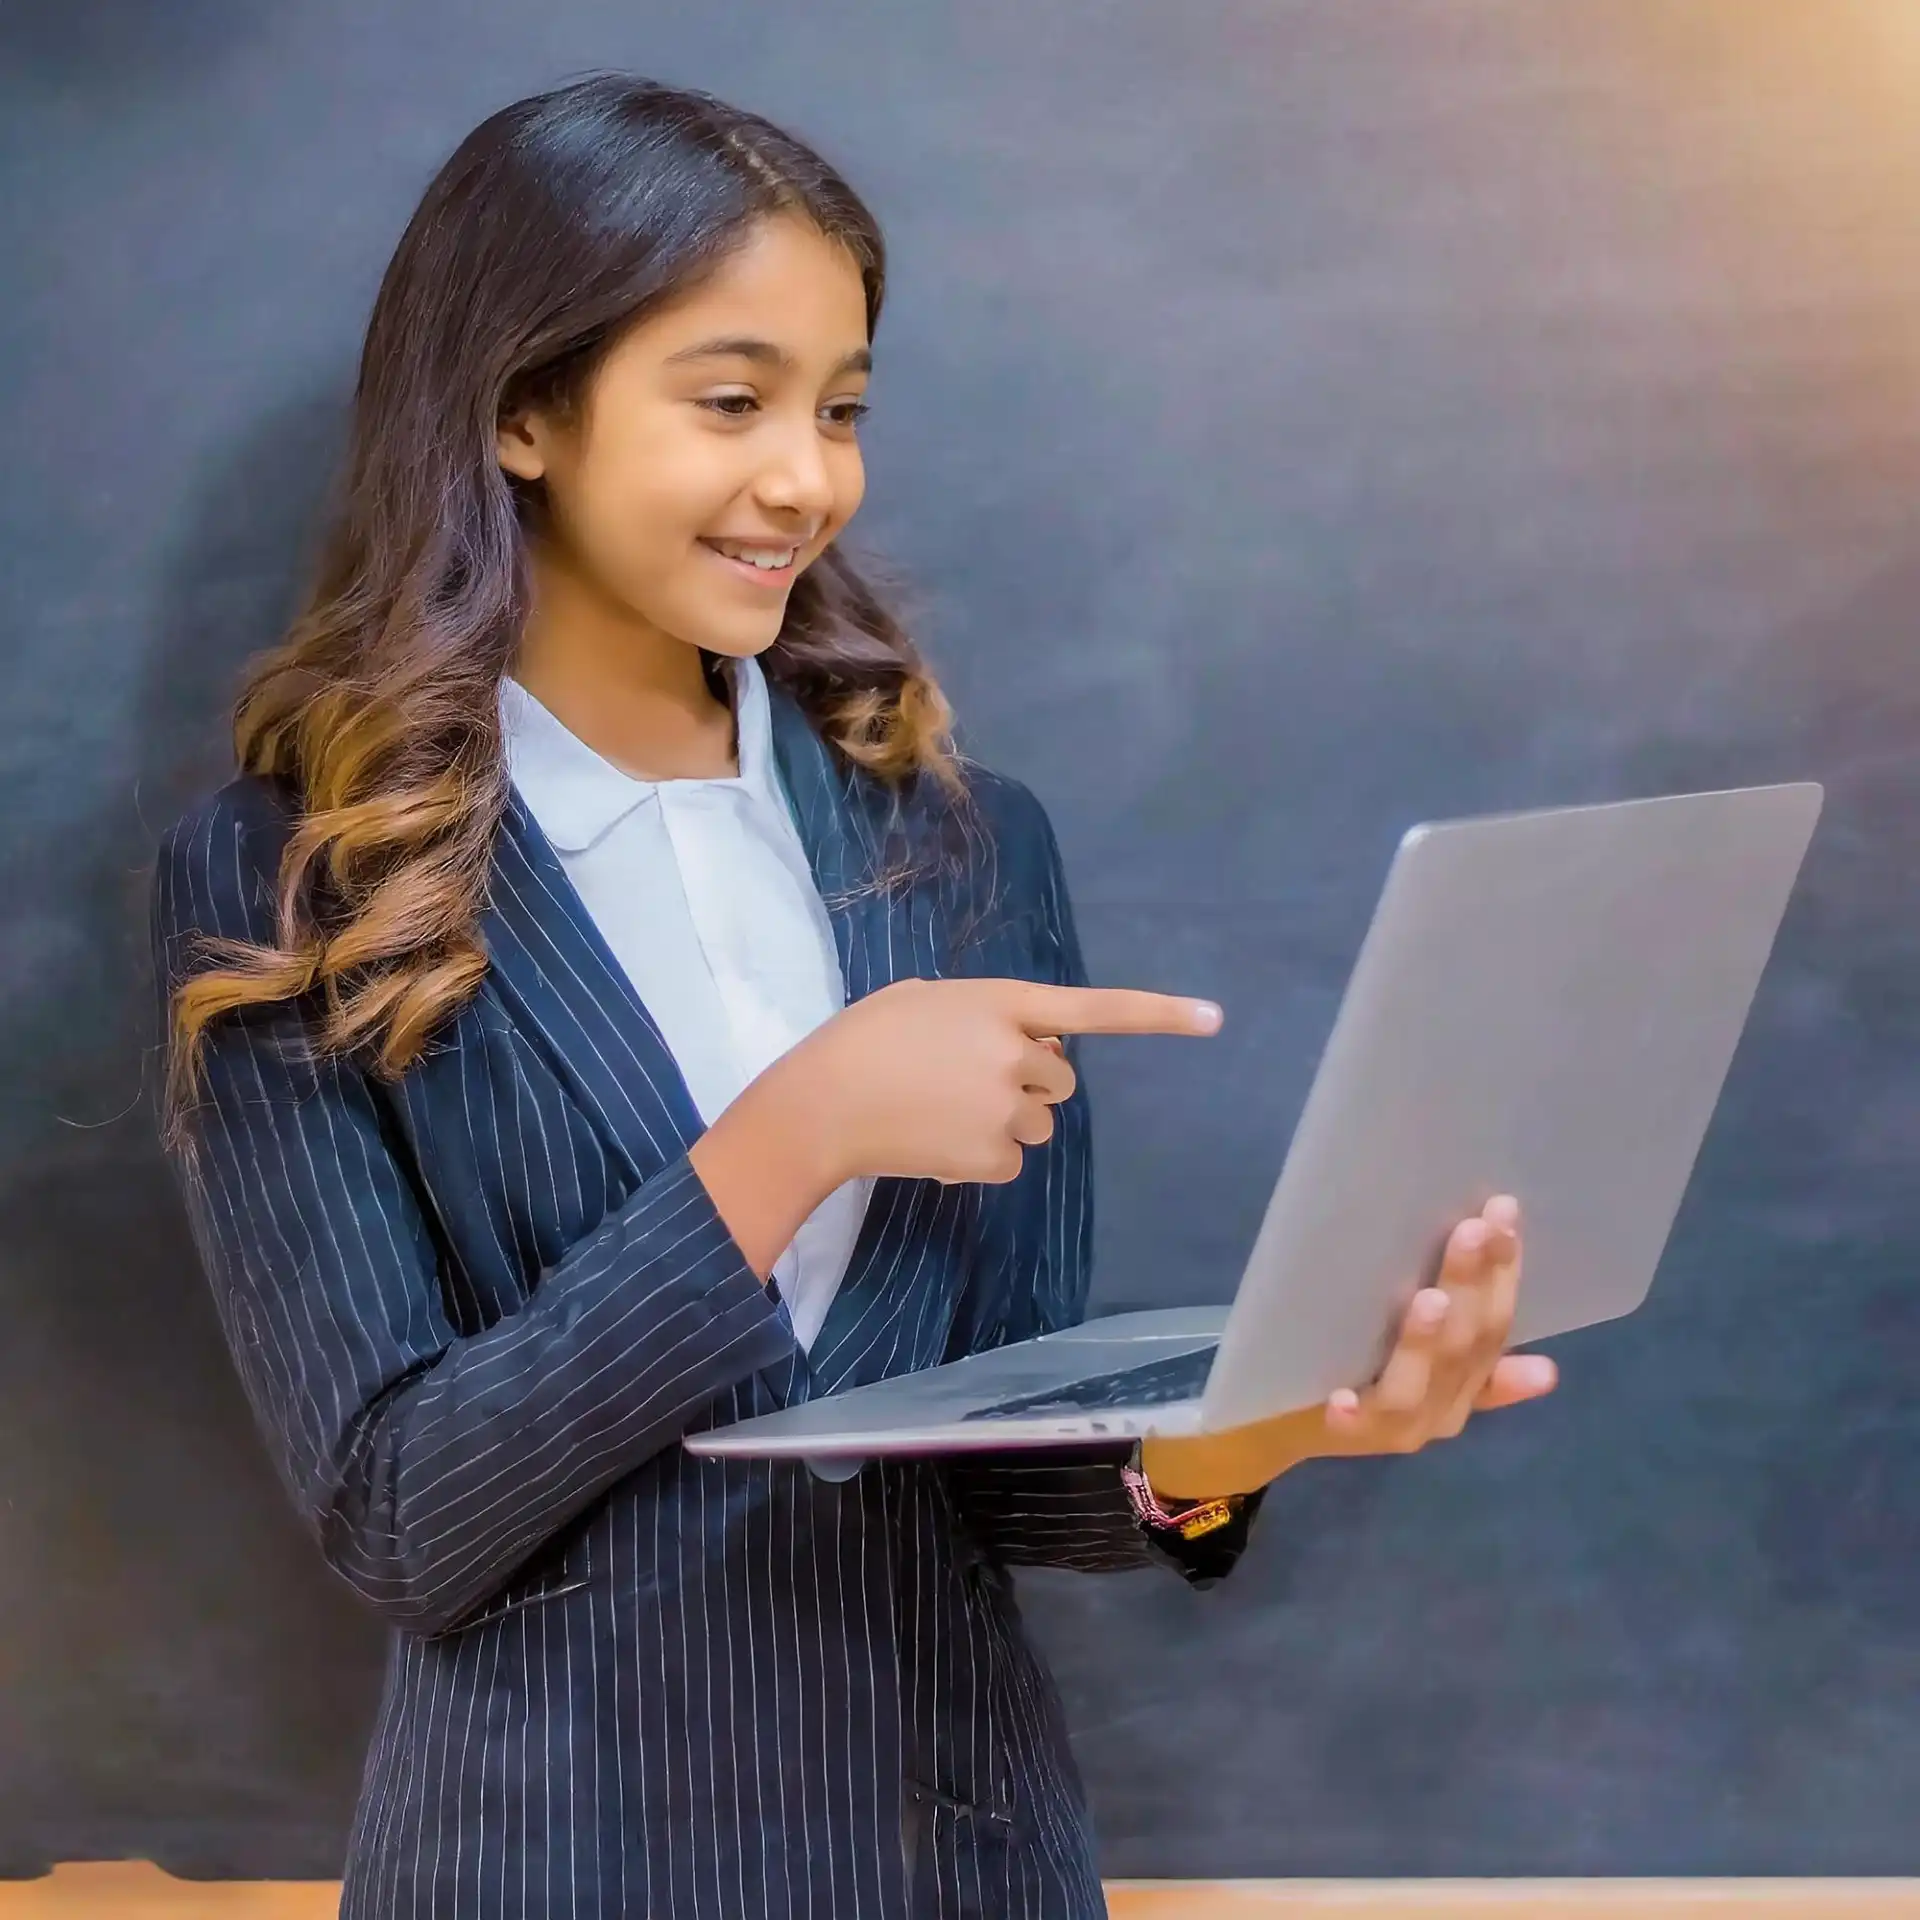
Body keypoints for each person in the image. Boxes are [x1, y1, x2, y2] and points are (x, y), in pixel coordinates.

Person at [148, 74, 1558, 1920]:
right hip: (553, 1868)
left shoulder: (966, 850)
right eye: (730, 401)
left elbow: (989, 1476)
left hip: (951, 1857)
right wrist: (797, 1132)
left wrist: (1264, 1430)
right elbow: (406, 1519)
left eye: (841, 407)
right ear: (520, 411)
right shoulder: (289, 883)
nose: (807, 476)